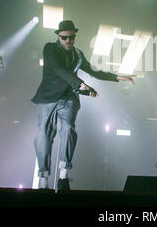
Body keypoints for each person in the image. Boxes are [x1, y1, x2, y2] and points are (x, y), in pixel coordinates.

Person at [31, 20, 135, 191]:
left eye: (71, 38)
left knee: (69, 130)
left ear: (74, 37)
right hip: (48, 97)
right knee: (44, 134)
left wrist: (118, 77)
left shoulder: (77, 54)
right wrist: (80, 83)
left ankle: (63, 177)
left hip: (69, 98)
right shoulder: (49, 48)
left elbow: (94, 71)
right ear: (58, 36)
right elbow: (57, 68)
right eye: (64, 38)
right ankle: (43, 179)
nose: (68, 41)